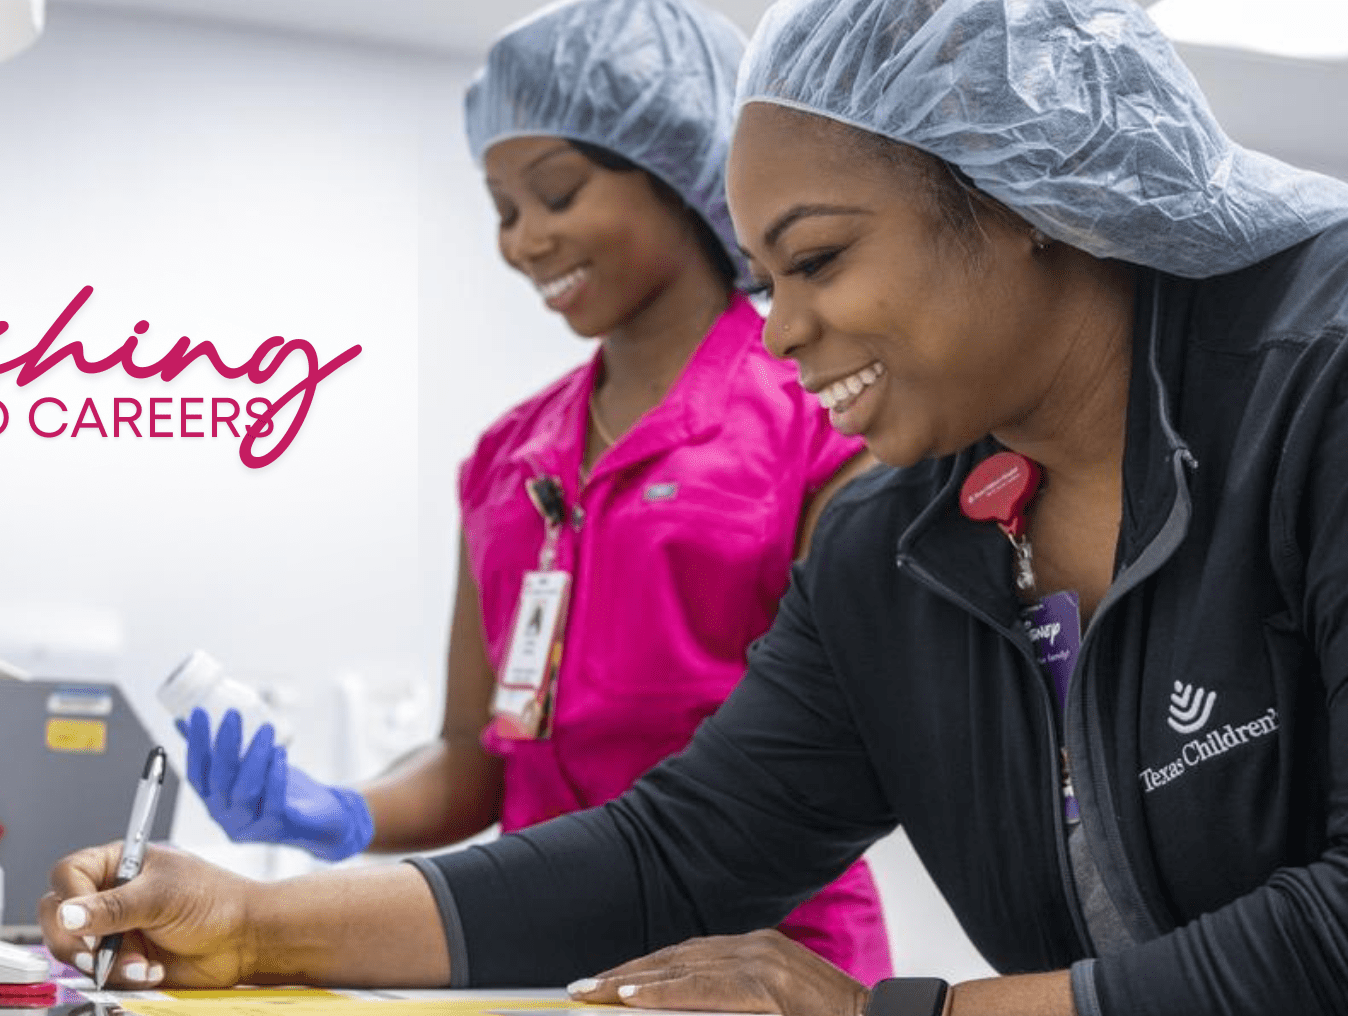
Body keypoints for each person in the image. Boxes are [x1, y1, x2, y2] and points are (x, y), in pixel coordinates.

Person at [40, 0, 1348, 1013]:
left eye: (818, 259)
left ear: (1019, 189)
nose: (783, 331)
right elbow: (673, 853)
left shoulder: (1339, 377)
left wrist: (893, 1014)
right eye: (763, 275)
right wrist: (258, 916)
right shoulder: (905, 542)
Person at [174, 0, 889, 982]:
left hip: (757, 962)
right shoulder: (509, 457)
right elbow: (474, 758)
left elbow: (823, 757)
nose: (524, 241)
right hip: (534, 957)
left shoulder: (819, 420)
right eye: (502, 209)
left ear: (681, 162)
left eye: (555, 192)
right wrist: (336, 810)